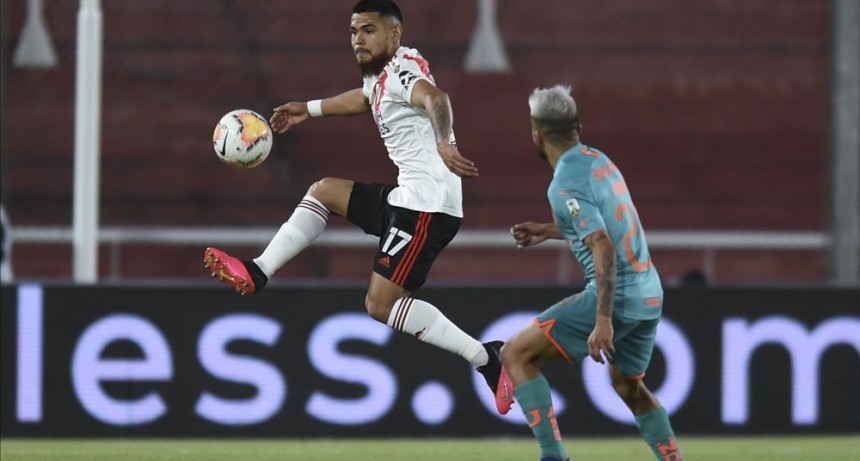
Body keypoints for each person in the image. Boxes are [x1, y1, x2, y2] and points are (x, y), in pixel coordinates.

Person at [203, 0, 504, 394]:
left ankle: (486, 358)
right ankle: (258, 271)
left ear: (394, 34)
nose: (358, 40)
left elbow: (437, 99)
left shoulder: (401, 71)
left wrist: (444, 143)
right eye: (353, 31)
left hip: (427, 208)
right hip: (408, 199)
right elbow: (364, 98)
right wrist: (308, 110)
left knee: (380, 306)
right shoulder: (380, 76)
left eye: (368, 30)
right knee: (324, 191)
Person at [496, 85, 682, 461]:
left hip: (616, 296)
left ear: (536, 134)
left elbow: (603, 245)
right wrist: (547, 231)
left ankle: (554, 457)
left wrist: (603, 319)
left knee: (515, 354)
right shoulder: (599, 160)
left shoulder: (564, 183)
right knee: (628, 386)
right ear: (577, 126)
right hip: (649, 293)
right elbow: (604, 228)